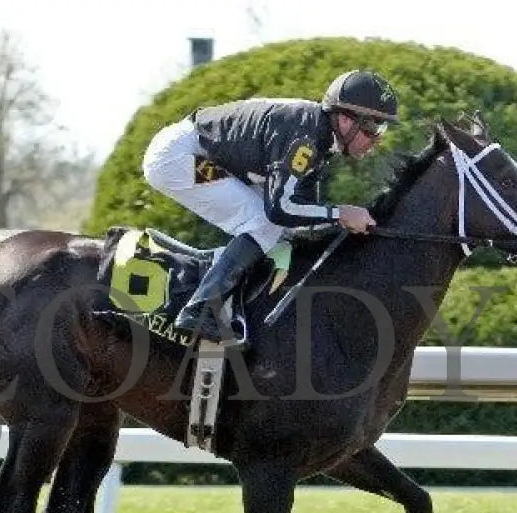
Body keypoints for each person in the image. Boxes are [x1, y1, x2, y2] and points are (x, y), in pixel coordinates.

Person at [141, 69, 399, 342]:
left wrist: (338, 220)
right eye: (374, 127)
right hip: (179, 158)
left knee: (275, 229)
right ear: (346, 119)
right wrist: (340, 214)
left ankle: (224, 296)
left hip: (199, 154)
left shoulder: (318, 138)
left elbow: (303, 209)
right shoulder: (306, 140)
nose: (378, 139)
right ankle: (200, 309)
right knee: (266, 222)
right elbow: (281, 209)